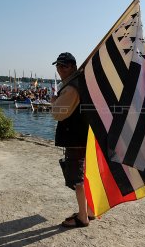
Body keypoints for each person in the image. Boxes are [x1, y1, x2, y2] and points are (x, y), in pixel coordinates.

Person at [50, 52, 93, 228]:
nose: (60, 69)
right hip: (83, 136)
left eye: (64, 66)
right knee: (84, 176)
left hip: (76, 138)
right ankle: (89, 211)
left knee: (77, 179)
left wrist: (54, 101)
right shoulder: (81, 82)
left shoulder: (71, 87)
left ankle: (83, 217)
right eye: (58, 66)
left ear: (73, 67)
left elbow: (58, 113)